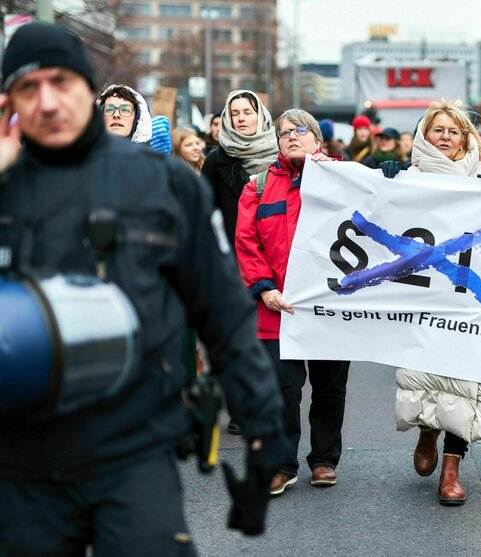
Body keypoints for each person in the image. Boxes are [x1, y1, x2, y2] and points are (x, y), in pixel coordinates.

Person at [0, 22, 287, 555]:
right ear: (9, 101)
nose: (47, 101)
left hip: (132, 448)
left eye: (61, 82)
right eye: (28, 88)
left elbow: (222, 313)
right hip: (20, 462)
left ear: (88, 88)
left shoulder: (165, 184)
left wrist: (265, 426)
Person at [380, 100, 481, 506]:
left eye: (454, 131)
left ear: (466, 138)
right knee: (425, 375)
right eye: (438, 130)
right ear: (425, 134)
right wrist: (388, 182)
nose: (447, 138)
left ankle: (451, 468)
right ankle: (426, 430)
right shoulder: (409, 177)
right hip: (425, 300)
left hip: (468, 300)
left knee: (467, 383)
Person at [235, 108, 350, 497]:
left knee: (329, 387)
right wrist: (264, 288)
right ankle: (281, 464)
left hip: (329, 307)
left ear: (318, 140)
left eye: (301, 130)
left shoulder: (346, 180)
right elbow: (246, 242)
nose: (292, 136)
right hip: (275, 306)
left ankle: (323, 460)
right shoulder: (259, 187)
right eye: (284, 132)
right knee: (281, 390)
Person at [201, 90, 277, 436]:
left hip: (275, 260)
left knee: (269, 340)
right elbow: (205, 213)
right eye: (234, 113)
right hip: (230, 262)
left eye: (247, 111)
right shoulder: (217, 161)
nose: (241, 118)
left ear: (260, 116)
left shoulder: (281, 155)